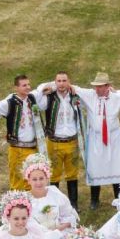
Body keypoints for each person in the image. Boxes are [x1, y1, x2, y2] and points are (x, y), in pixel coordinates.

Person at [72, 73, 120, 210]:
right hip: (96, 138)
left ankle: (119, 199)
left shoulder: (118, 98)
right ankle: (94, 200)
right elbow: (72, 87)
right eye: (96, 86)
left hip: (114, 138)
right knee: (95, 167)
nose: (97, 89)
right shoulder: (90, 95)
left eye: (100, 86)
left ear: (107, 86)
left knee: (117, 166)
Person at [34, 71, 84, 209]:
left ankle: (73, 205)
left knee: (72, 174)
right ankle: (54, 204)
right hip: (54, 142)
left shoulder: (75, 95)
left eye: (64, 81)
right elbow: (36, 98)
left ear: (69, 82)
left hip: (72, 141)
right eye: (59, 81)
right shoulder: (49, 97)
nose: (61, 84)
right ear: (55, 82)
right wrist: (49, 87)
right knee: (53, 174)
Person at [0, 74, 43, 190]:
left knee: (32, 179)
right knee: (17, 181)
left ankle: (31, 201)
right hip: (17, 149)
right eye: (24, 85)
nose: (28, 87)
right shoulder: (9, 103)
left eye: (28, 84)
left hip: (33, 148)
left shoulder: (32, 98)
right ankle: (17, 201)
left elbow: (43, 89)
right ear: (16, 88)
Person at [22, 151, 79, 239]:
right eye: (34, 179)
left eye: (41, 178)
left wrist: (58, 229)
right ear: (28, 180)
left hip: (58, 233)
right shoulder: (25, 200)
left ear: (47, 178)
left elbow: (69, 216)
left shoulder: (56, 195)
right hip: (36, 238)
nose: (38, 183)